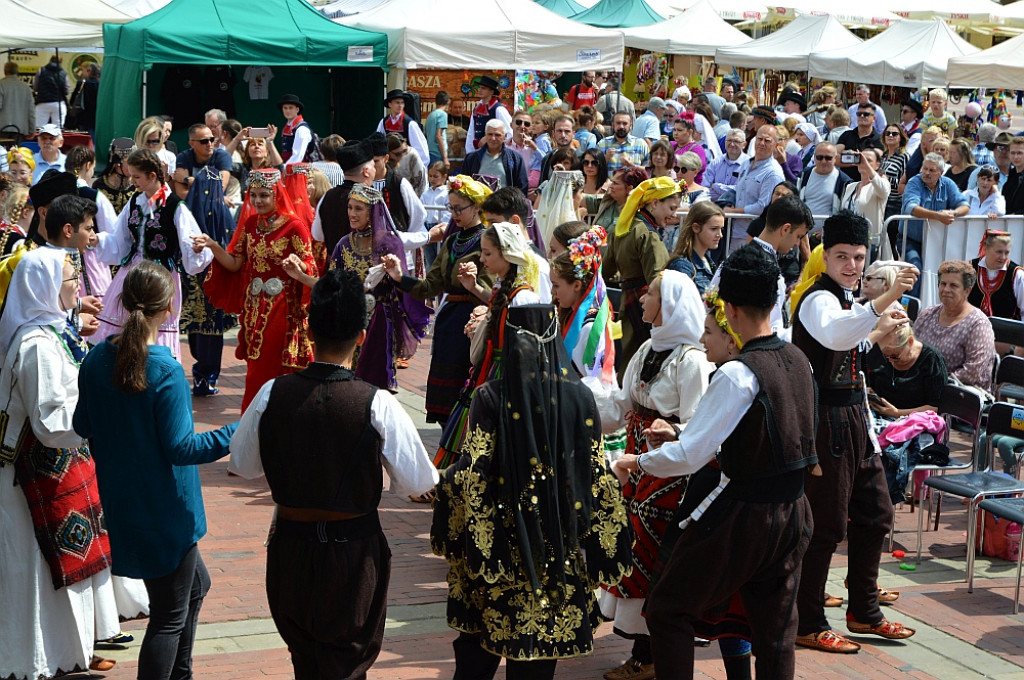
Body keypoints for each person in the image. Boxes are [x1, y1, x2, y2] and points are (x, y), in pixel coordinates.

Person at [613, 245, 816, 680]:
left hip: (742, 515)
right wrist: (683, 435)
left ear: (731, 309)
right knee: (776, 631)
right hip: (793, 511)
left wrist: (638, 461)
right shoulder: (798, 360)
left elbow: (689, 457)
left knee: (667, 610)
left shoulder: (739, 373)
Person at [228, 268, 438, 679]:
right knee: (345, 665)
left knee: (305, 660)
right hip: (352, 553)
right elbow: (419, 482)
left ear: (310, 331)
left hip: (290, 548)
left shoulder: (272, 393)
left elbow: (243, 465)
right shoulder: (377, 403)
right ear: (361, 337)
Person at [431, 303, 631, 680]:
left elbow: (474, 475)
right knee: (538, 663)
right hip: (557, 553)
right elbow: (594, 474)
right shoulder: (580, 399)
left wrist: (465, 531)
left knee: (476, 656)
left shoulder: (491, 398)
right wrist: (604, 540)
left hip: (499, 553)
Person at [74, 261, 237, 680]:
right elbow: (182, 448)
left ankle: (180, 675)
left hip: (126, 500)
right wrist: (240, 430)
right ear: (169, 310)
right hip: (165, 508)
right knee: (167, 615)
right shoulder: (164, 370)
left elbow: (82, 426)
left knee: (194, 589)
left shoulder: (95, 362)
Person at [791, 211, 918, 654]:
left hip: (854, 421)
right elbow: (835, 333)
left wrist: (880, 329)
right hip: (825, 422)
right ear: (825, 256)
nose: (851, 265)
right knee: (825, 525)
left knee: (877, 512)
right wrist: (884, 302)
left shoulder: (846, 297)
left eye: (859, 257)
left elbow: (852, 342)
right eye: (842, 256)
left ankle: (863, 610)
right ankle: (807, 620)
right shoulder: (817, 298)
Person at [581, 270, 712, 680]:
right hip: (640, 465)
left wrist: (672, 431)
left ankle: (651, 651)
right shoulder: (646, 350)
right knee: (630, 540)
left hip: (673, 470)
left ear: (670, 304)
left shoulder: (691, 361)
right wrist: (576, 407)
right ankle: (646, 649)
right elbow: (621, 407)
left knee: (649, 545)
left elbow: (699, 424)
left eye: (651, 293)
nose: (640, 299)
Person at [0, 245, 120, 680]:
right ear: (47, 288)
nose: (78, 286)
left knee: (61, 559)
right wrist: (100, 419)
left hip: (57, 464)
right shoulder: (35, 345)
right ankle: (35, 655)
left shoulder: (52, 333)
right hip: (34, 470)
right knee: (36, 564)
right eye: (71, 280)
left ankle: (65, 650)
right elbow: (50, 421)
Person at [286, 183, 431, 392]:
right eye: (350, 208)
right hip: (349, 321)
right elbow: (331, 285)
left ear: (372, 211)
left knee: (374, 384)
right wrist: (299, 275)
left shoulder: (389, 245)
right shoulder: (344, 245)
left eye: (358, 209)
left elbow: (403, 287)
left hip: (379, 324)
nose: (352, 214)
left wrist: (395, 275)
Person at [198, 168, 316, 411]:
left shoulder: (294, 226)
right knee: (255, 365)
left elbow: (310, 265)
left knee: (267, 366)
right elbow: (234, 263)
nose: (258, 201)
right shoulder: (251, 224)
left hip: (282, 305)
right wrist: (212, 246)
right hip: (253, 310)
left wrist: (297, 264)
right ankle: (259, 421)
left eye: (264, 195)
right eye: (254, 195)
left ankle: (261, 418)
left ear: (277, 195)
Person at [385, 175, 495, 424]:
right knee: (446, 389)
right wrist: (400, 277)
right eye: (450, 208)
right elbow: (429, 286)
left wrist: (474, 286)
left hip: (473, 320)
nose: (454, 214)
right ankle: (449, 434)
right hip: (448, 320)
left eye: (459, 208)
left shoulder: (487, 240)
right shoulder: (453, 241)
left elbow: (490, 291)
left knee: (464, 379)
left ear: (476, 207)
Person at [91, 149, 212, 359]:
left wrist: (197, 248)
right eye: (131, 175)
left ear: (152, 175)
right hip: (131, 272)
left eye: (136, 176)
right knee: (122, 330)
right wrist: (98, 240)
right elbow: (119, 238)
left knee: (152, 333)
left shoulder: (175, 207)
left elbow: (190, 242)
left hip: (160, 276)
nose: (132, 181)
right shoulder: (135, 202)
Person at [173, 123, 236, 396]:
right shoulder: (189, 213)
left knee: (207, 325)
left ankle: (206, 374)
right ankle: (206, 374)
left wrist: (188, 181)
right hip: (203, 274)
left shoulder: (192, 212)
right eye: (204, 140)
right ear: (192, 143)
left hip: (208, 273)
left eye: (213, 140)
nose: (210, 144)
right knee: (205, 326)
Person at [603, 176, 674, 377]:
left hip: (627, 301)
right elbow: (658, 280)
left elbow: (606, 270)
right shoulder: (648, 235)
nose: (673, 214)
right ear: (655, 203)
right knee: (638, 360)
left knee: (627, 356)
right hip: (644, 306)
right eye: (671, 208)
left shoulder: (623, 227)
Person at [913, 260, 996, 392]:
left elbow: (972, 372)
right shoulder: (927, 314)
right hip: (922, 385)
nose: (946, 289)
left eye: (953, 285)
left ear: (967, 291)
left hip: (960, 393)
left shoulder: (978, 324)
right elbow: (910, 349)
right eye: (943, 284)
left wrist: (936, 381)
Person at [550, 226, 615, 382]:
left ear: (577, 285)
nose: (552, 291)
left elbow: (597, 381)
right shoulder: (568, 314)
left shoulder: (590, 328)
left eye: (557, 285)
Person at [901, 153, 969, 293]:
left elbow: (965, 206)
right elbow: (911, 208)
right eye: (924, 169)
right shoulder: (914, 182)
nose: (926, 173)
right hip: (911, 240)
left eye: (931, 170)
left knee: (941, 275)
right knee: (915, 271)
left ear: (941, 172)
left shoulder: (947, 184)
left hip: (937, 241)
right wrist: (938, 216)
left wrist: (953, 213)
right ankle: (909, 310)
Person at [868, 323, 948, 419]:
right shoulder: (881, 356)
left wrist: (897, 413)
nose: (890, 361)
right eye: (886, 356)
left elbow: (935, 407)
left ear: (910, 341)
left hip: (914, 421)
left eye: (895, 356)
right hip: (877, 414)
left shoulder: (932, 360)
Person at [725, 125, 785, 250]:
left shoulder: (773, 172)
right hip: (734, 231)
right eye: (759, 139)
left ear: (776, 144)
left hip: (754, 235)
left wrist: (733, 212)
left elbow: (762, 206)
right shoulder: (746, 163)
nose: (762, 143)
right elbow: (739, 190)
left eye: (767, 140)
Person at [840, 148, 892, 259]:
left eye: (868, 160)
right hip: (848, 241)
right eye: (861, 159)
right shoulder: (851, 186)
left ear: (877, 165)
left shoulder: (880, 185)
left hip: (871, 244)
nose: (863, 163)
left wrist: (868, 168)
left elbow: (883, 190)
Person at [666, 201, 725, 294]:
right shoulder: (682, 266)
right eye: (714, 229)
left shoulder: (709, 261)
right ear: (696, 228)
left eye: (721, 229)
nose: (720, 235)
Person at [460, 118, 528, 192]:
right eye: (490, 134)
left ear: (505, 136)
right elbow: (464, 184)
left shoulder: (515, 158)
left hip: (505, 202)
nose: (493, 138)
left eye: (497, 135)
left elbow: (522, 187)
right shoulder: (471, 158)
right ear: (485, 135)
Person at [796, 141, 854, 225]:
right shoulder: (803, 176)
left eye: (828, 158)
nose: (823, 161)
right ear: (814, 157)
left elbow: (846, 212)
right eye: (819, 157)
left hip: (828, 234)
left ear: (835, 158)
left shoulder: (844, 182)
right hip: (802, 233)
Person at [378, 89, 429, 166]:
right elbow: (379, 142)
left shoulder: (410, 123)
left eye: (402, 103)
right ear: (390, 104)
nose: (400, 105)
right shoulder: (384, 122)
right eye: (397, 103)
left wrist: (419, 169)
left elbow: (421, 149)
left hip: (407, 165)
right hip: (390, 165)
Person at [836, 103, 884, 183]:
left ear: (874, 118)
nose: (862, 116)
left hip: (867, 184)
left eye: (866, 114)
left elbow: (872, 162)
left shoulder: (879, 139)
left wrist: (846, 153)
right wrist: (859, 158)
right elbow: (835, 158)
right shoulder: (846, 135)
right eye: (859, 114)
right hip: (844, 184)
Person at [465, 75, 512, 156]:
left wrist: (489, 139)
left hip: (495, 154)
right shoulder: (477, 108)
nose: (479, 90)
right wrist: (469, 153)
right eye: (479, 87)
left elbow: (509, 133)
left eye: (483, 88)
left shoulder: (499, 109)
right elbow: (471, 133)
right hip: (478, 153)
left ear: (491, 91)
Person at [93, 138, 136, 215]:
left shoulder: (138, 185)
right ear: (117, 164)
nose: (135, 165)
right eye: (130, 161)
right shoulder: (100, 186)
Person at [705, 129, 749, 201]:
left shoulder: (749, 164)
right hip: (713, 207)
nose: (732, 144)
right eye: (729, 140)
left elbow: (741, 191)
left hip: (736, 209)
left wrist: (716, 186)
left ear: (744, 145)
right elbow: (705, 188)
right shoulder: (716, 162)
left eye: (736, 141)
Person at [880, 124, 910, 224]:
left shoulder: (904, 157)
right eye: (887, 133)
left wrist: (887, 179)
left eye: (894, 134)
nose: (890, 135)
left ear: (901, 137)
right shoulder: (883, 156)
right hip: (881, 202)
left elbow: (907, 184)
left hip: (895, 205)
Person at [0, 61, 35, 137]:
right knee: (17, 149)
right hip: (20, 129)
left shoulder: (1, 85)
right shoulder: (26, 88)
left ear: (5, 72)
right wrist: (32, 130)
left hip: (2, 128)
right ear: (17, 72)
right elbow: (31, 112)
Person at [33, 56, 70, 127]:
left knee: (39, 127)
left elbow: (35, 87)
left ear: (50, 61)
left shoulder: (41, 71)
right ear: (60, 62)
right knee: (58, 129)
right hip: (58, 103)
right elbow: (66, 91)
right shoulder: (64, 73)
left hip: (42, 102)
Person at [425, 90, 450, 166]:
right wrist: (445, 158)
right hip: (437, 154)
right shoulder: (442, 115)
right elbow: (439, 136)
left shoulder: (430, 115)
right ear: (448, 102)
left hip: (429, 153)